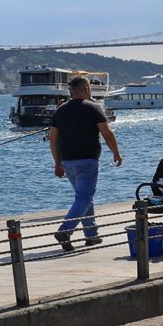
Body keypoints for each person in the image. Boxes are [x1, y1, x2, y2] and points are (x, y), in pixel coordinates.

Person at [48, 76, 122, 252]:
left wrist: (57, 163)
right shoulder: (94, 107)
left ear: (71, 92)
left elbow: (53, 138)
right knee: (84, 197)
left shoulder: (60, 111)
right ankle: (65, 231)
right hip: (87, 160)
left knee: (83, 197)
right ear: (87, 89)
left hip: (67, 161)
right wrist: (116, 153)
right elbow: (107, 134)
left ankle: (91, 235)